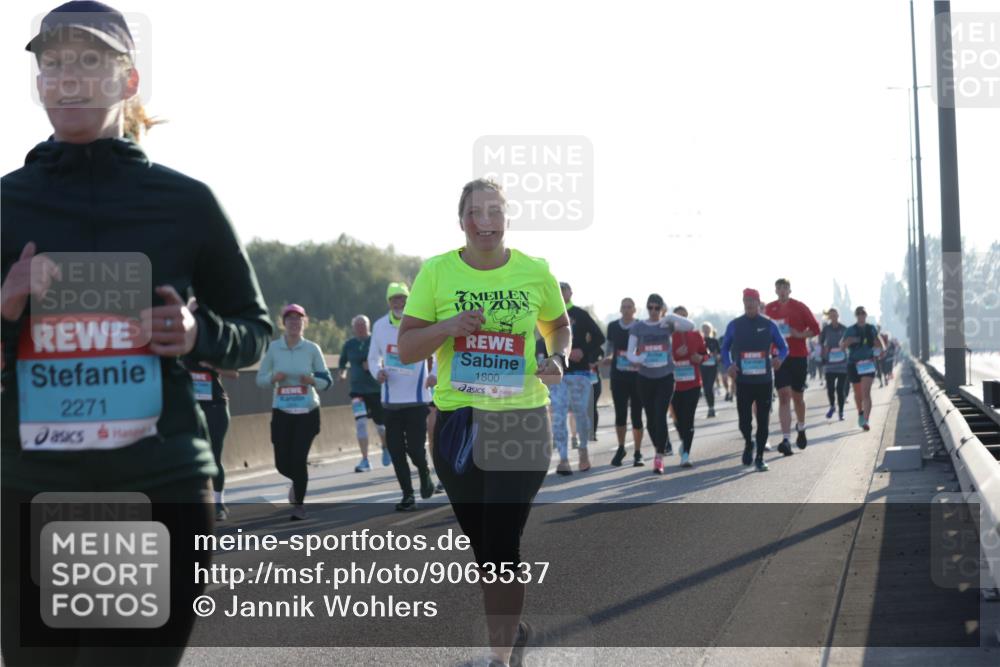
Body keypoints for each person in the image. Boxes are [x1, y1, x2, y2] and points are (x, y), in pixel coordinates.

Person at [1, 3, 272, 663]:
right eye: (55, 64)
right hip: (33, 486)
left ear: (127, 82)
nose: (69, 79)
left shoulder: (185, 202)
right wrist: (7, 307)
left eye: (90, 62)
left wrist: (193, 330)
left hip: (161, 483)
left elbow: (253, 331)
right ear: (38, 84)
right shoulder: (6, 203)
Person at [397, 178, 570, 667]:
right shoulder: (437, 272)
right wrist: (448, 327)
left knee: (499, 543)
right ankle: (512, 631)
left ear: (507, 217)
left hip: (521, 421)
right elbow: (408, 348)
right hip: (457, 425)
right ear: (461, 221)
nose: (485, 221)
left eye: (494, 211)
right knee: (484, 549)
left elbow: (558, 326)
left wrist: (557, 358)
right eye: (475, 212)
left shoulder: (536, 272)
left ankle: (499, 657)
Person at [256, 304, 333, 520]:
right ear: (283, 323)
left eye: (298, 319)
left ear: (304, 323)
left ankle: (299, 505)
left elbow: (327, 381)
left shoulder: (312, 349)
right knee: (282, 463)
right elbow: (260, 379)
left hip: (307, 412)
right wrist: (273, 379)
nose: (294, 323)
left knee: (299, 459)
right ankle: (299, 480)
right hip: (282, 411)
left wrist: (312, 380)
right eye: (290, 319)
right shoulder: (273, 349)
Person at [368, 282, 437, 511]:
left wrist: (434, 374)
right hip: (390, 400)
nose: (399, 303)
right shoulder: (379, 326)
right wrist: (377, 371)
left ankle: (424, 471)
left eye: (402, 299)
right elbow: (373, 357)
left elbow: (438, 353)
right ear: (388, 302)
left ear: (409, 300)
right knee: (396, 450)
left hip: (417, 398)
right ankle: (408, 495)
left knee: (415, 449)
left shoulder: (420, 323)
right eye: (394, 299)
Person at [626, 293, 696, 474]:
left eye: (657, 307)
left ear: (662, 308)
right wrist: (639, 358)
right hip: (645, 377)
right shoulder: (638, 327)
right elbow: (629, 353)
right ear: (647, 307)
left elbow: (691, 326)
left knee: (660, 415)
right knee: (650, 419)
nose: (654, 311)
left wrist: (671, 316)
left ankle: (659, 457)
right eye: (651, 307)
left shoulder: (667, 324)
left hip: (665, 376)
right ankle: (660, 446)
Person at [721, 288, 789, 472]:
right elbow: (724, 347)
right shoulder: (735, 325)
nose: (749, 304)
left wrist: (779, 359)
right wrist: (729, 365)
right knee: (744, 421)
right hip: (743, 380)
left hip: (764, 380)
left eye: (752, 300)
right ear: (743, 302)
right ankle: (748, 443)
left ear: (758, 303)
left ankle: (759, 457)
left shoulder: (769, 324)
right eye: (746, 300)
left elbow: (784, 347)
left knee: (763, 420)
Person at [551, 281, 605, 474]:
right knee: (558, 417)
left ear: (570, 293)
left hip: (580, 373)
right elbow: (541, 341)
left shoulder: (581, 315)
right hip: (557, 373)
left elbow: (599, 337)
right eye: (556, 290)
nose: (560, 293)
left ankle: (583, 450)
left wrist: (583, 351)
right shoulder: (548, 315)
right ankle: (563, 459)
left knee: (581, 413)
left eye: (563, 290)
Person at [764, 278, 820, 456]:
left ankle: (801, 427)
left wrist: (800, 334)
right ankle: (786, 439)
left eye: (785, 287)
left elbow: (816, 329)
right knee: (783, 396)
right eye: (779, 288)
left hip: (798, 356)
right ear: (775, 290)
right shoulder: (769, 309)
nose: (782, 290)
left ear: (789, 290)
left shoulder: (800, 307)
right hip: (780, 357)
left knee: (798, 397)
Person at [182, 348, 238, 521]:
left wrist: (213, 366)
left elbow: (234, 373)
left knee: (214, 456)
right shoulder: (177, 349)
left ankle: (218, 503)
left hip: (215, 406)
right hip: (189, 408)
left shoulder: (211, 344)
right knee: (188, 459)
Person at [338, 314, 389, 471]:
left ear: (368, 326)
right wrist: (342, 374)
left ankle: (386, 447)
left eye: (363, 325)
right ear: (353, 328)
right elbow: (342, 364)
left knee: (380, 426)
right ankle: (365, 460)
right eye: (357, 325)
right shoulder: (349, 345)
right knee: (360, 423)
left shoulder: (375, 340)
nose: (360, 328)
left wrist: (376, 366)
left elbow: (387, 359)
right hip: (357, 391)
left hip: (375, 390)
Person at [603, 297, 645, 466]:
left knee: (636, 415)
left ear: (635, 310)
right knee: (620, 414)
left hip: (637, 377)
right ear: (620, 310)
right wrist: (608, 357)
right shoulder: (613, 326)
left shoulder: (640, 326)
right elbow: (610, 347)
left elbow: (644, 347)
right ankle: (621, 447)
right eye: (624, 307)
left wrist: (640, 358)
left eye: (629, 307)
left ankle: (637, 452)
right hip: (618, 376)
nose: (626, 309)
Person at [670, 307, 707, 468]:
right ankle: (684, 440)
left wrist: (700, 357)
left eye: (685, 317)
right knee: (678, 419)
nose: (682, 320)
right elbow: (660, 358)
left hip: (693, 384)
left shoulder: (696, 334)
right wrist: (675, 354)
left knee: (689, 418)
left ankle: (686, 454)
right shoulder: (668, 337)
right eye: (679, 317)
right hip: (674, 385)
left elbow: (706, 354)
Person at [842, 306, 882, 431]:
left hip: (868, 364)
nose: (861, 315)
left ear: (866, 315)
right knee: (858, 394)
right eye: (858, 313)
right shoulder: (850, 330)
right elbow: (842, 346)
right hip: (853, 364)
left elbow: (879, 344)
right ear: (856, 316)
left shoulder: (871, 329)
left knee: (866, 393)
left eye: (863, 313)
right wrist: (849, 341)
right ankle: (860, 412)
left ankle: (866, 419)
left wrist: (878, 350)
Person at [818, 308, 849, 420]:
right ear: (829, 317)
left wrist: (845, 346)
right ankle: (832, 406)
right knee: (830, 388)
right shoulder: (826, 329)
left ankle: (841, 412)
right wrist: (823, 355)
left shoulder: (844, 329)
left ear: (838, 316)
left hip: (842, 364)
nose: (833, 317)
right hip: (830, 364)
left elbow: (848, 342)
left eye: (835, 315)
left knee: (840, 389)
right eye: (831, 316)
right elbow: (820, 343)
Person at [700, 322, 721, 418]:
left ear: (710, 329)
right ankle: (710, 407)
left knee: (709, 387)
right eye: (704, 328)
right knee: (706, 388)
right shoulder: (700, 341)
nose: (705, 330)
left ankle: (711, 408)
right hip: (702, 367)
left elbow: (719, 354)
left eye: (707, 328)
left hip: (712, 367)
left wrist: (716, 356)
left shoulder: (714, 341)